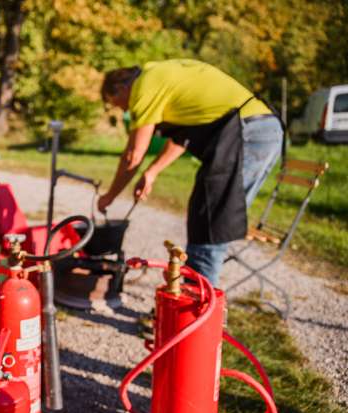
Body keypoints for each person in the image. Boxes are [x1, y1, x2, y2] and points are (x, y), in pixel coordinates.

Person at [97, 59, 284, 286]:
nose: (124, 110)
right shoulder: (160, 74)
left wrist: (110, 197)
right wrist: (153, 171)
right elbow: (182, 139)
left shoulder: (144, 87)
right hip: (258, 129)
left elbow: (133, 155)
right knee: (210, 215)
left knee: (210, 221)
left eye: (117, 104)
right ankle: (194, 299)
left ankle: (195, 307)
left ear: (121, 87)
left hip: (246, 133)